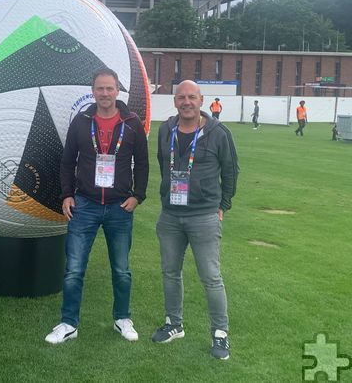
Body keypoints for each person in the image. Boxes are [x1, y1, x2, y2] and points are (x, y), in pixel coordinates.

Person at [45, 68, 149, 344]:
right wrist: (67, 195)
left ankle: (122, 318)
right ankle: (68, 323)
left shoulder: (132, 122)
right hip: (85, 205)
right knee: (74, 269)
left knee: (121, 269)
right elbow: (67, 162)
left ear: (117, 91)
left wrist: (138, 195)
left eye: (109, 88)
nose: (105, 94)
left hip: (119, 207)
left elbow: (143, 163)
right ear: (93, 91)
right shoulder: (81, 121)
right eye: (100, 89)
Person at [152, 80, 239, 360]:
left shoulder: (218, 133)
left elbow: (231, 170)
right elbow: (162, 163)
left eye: (191, 97)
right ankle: (174, 324)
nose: (186, 102)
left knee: (211, 278)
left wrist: (223, 204)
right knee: (169, 273)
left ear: (201, 100)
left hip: (204, 215)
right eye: (181, 97)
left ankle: (220, 334)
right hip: (171, 215)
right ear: (175, 101)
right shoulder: (166, 130)